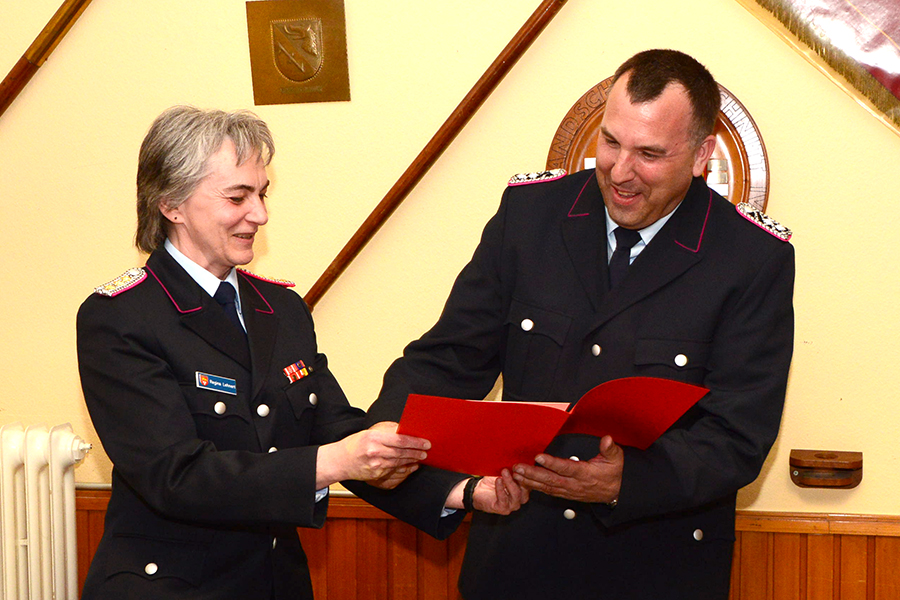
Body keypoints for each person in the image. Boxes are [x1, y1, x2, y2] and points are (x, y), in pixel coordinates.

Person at [361, 49, 795, 599]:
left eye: (649, 154)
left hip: (655, 570)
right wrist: (385, 436)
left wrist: (626, 483)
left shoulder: (750, 257)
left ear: (701, 155)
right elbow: (449, 358)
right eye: (611, 142)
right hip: (518, 561)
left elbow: (738, 434)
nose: (620, 171)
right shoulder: (530, 217)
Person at [76, 106, 435, 600]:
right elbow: (176, 475)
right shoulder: (121, 317)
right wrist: (335, 462)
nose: (260, 214)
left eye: (261, 194)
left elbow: (334, 427)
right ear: (172, 205)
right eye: (237, 196)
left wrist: (461, 490)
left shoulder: (281, 307)